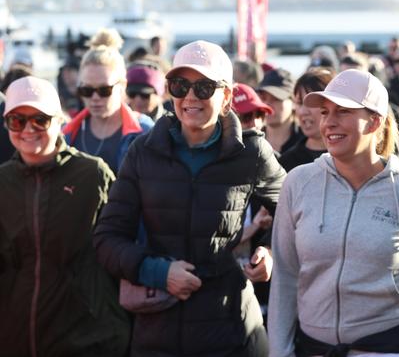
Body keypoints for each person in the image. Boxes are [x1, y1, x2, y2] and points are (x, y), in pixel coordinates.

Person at [93, 40, 286, 356]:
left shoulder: (251, 152)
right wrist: (158, 272)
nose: (191, 97)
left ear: (226, 96)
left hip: (231, 331)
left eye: (204, 87)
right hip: (159, 331)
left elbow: (296, 213)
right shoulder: (143, 152)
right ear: (169, 91)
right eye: (180, 85)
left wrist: (270, 251)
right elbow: (107, 238)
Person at [268, 69, 399, 357]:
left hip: (393, 347)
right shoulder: (298, 182)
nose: (329, 122)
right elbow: (286, 274)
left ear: (374, 121)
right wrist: (279, 350)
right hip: (313, 347)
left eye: (343, 111)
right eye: (325, 112)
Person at [0, 76, 130, 356]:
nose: (28, 129)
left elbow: (124, 243)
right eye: (17, 120)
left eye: (39, 119)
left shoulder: (92, 173)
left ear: (59, 120)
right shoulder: (2, 182)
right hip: (15, 338)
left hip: (85, 339)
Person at [63, 28, 153, 174]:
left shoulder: (145, 132)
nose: (95, 98)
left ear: (122, 85)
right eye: (87, 90)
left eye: (104, 90)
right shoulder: (67, 133)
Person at [278, 67, 332, 172]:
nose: (303, 111)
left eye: (311, 103)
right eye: (299, 103)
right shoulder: (286, 162)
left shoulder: (348, 156)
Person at [257, 68, 304, 154]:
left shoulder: (307, 143)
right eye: (263, 98)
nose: (267, 104)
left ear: (294, 101)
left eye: (276, 98)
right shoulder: (252, 142)